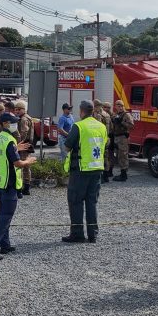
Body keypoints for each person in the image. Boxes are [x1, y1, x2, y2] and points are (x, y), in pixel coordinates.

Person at [0, 112, 37, 260]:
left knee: (3, 215)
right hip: (9, 183)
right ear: (6, 124)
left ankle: (5, 244)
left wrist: (16, 148)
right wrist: (29, 161)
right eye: (13, 122)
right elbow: (17, 163)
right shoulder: (9, 140)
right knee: (6, 216)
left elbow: (4, 155)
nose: (15, 125)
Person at [62, 100, 108, 244]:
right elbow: (105, 144)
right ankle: (93, 234)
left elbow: (67, 147)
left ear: (81, 111)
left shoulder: (79, 126)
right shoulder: (101, 126)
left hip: (81, 170)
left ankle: (77, 234)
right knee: (91, 202)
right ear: (93, 111)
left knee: (75, 201)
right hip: (97, 169)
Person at [111, 100, 135, 182]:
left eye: (121, 106)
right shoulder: (117, 114)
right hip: (116, 137)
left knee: (123, 155)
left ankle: (123, 175)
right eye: (118, 106)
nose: (120, 107)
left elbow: (131, 126)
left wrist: (122, 122)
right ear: (116, 107)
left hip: (122, 137)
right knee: (118, 156)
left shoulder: (126, 115)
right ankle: (119, 172)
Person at [13, 100, 34, 195]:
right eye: (15, 109)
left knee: (22, 165)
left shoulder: (23, 119)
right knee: (26, 166)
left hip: (24, 145)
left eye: (18, 109)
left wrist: (18, 143)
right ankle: (26, 186)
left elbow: (24, 132)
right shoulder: (28, 117)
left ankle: (24, 187)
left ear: (23, 109)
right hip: (27, 144)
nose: (16, 111)